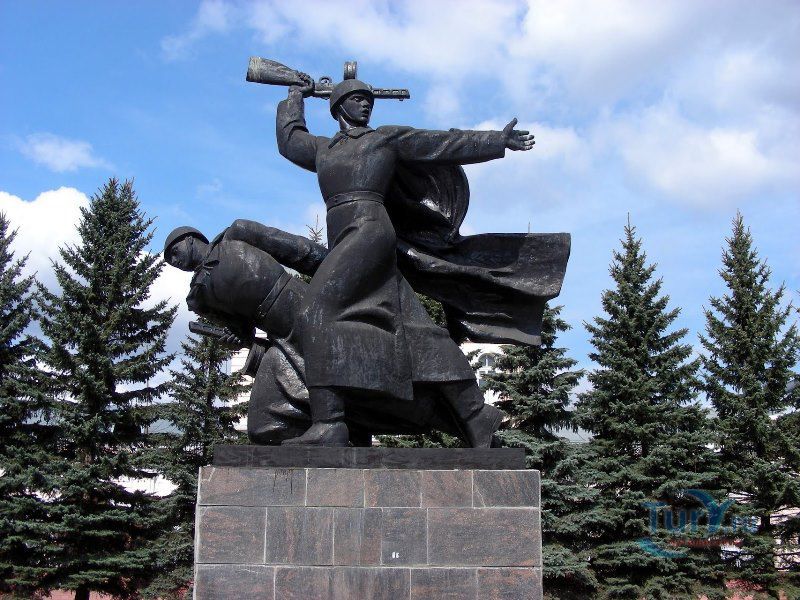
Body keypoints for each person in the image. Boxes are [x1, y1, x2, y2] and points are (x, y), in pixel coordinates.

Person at [275, 75, 536, 447]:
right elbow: (289, 141)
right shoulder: (324, 149)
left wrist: (496, 140)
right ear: (338, 106)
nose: (366, 104)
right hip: (345, 236)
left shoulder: (384, 139)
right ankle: (476, 415)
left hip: (369, 230)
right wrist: (294, 97)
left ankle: (329, 422)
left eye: (369, 99)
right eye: (357, 98)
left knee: (314, 312)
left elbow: (440, 143)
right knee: (413, 326)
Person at [163, 221, 501, 446]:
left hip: (314, 308)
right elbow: (242, 330)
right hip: (285, 339)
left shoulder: (237, 234)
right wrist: (236, 339)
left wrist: (347, 274)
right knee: (353, 396)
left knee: (381, 371)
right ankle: (467, 426)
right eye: (169, 261)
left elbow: (298, 250)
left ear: (191, 238)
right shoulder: (199, 297)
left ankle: (472, 418)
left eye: (174, 252)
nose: (174, 261)